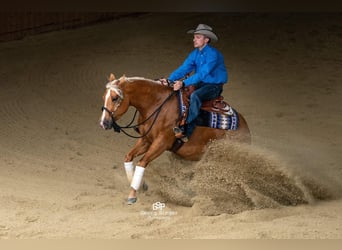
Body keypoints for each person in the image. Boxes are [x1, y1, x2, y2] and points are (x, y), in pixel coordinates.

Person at [161, 23, 228, 142]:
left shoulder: (213, 55)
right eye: (194, 37)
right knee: (180, 95)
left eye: (198, 37)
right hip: (200, 83)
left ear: (206, 40)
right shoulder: (195, 54)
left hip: (213, 86)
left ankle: (188, 129)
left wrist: (183, 83)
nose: (194, 39)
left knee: (195, 96)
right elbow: (184, 68)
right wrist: (169, 80)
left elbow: (203, 73)